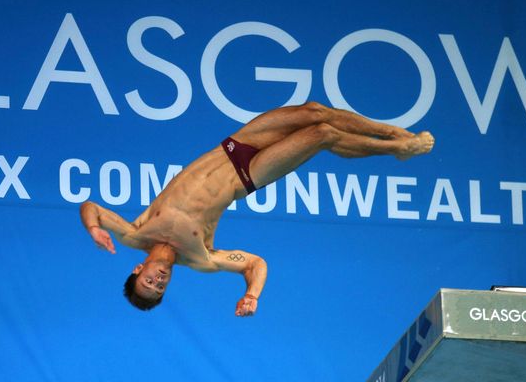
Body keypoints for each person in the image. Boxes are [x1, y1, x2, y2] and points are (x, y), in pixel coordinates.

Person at [79, 102, 434, 317]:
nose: (157, 282)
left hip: (233, 147)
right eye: (159, 289)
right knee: (322, 134)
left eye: (148, 282)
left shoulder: (134, 233)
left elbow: (91, 207)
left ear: (139, 268)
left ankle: (395, 134)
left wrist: (93, 229)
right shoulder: (200, 259)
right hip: (248, 175)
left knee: (314, 111)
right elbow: (255, 263)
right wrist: (251, 295)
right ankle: (398, 150)